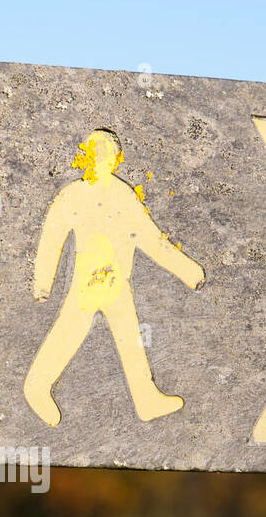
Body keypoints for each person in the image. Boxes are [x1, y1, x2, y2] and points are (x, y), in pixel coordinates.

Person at [23, 128, 205, 426]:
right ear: (84, 156)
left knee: (129, 340)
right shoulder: (73, 194)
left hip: (117, 284)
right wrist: (43, 283)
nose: (98, 156)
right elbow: (52, 237)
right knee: (67, 334)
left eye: (104, 150)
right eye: (92, 150)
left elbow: (152, 240)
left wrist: (189, 272)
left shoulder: (124, 195)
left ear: (116, 158)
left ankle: (146, 400)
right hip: (85, 284)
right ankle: (37, 387)